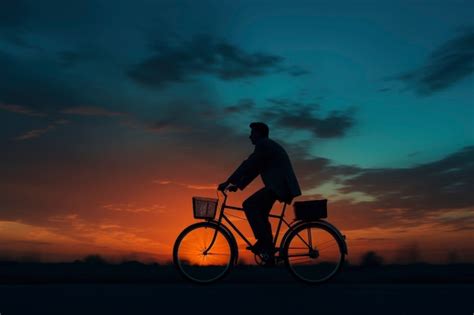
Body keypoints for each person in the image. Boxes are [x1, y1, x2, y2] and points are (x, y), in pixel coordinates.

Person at [218, 122, 301, 264]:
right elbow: (255, 169)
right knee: (261, 213)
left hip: (279, 186)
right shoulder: (266, 146)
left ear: (259, 134)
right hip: (280, 185)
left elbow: (248, 164)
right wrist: (237, 185)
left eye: (252, 133)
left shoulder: (263, 145)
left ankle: (264, 243)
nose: (250, 136)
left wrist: (228, 181)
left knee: (249, 205)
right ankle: (268, 250)